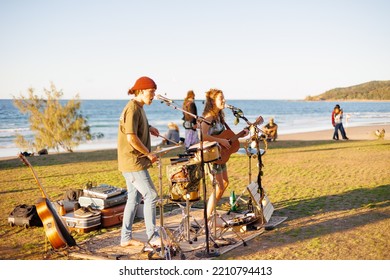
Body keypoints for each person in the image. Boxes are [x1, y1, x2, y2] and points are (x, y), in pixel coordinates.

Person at [117, 76, 160, 248]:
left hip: (132, 162)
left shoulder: (139, 107)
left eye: (154, 92)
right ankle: (153, 237)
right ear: (141, 91)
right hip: (132, 162)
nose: (153, 95)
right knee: (151, 195)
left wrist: (149, 128)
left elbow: (133, 128)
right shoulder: (133, 108)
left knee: (133, 199)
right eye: (151, 92)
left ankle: (125, 238)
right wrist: (149, 154)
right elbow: (131, 138)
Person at [200, 88, 249, 220]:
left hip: (221, 156)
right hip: (212, 157)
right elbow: (202, 136)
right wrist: (220, 140)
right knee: (219, 186)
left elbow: (228, 135)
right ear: (212, 101)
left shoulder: (220, 117)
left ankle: (211, 211)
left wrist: (242, 134)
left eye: (223, 97)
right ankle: (207, 216)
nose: (224, 100)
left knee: (225, 183)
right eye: (221, 98)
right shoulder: (209, 117)